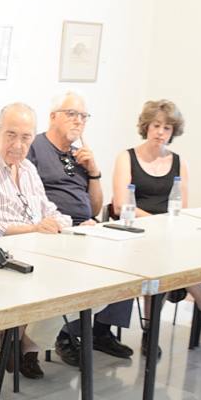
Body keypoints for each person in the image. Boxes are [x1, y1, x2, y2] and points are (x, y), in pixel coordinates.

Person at [28, 91, 134, 366]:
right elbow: (28, 196)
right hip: (52, 228)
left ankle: (100, 330)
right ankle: (62, 334)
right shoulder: (35, 147)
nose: (79, 122)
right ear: (53, 117)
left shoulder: (79, 155)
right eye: (72, 114)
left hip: (85, 225)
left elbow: (95, 206)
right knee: (80, 263)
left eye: (84, 117)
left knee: (125, 260)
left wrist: (95, 172)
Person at [0, 103, 72, 380]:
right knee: (58, 283)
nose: (18, 144)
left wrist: (60, 223)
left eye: (26, 137)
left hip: (40, 248)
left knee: (83, 289)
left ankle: (26, 342)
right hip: (2, 256)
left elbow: (49, 209)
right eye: (11, 135)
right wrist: (33, 229)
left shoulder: (27, 169)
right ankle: (24, 344)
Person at [111, 99, 201, 323]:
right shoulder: (126, 157)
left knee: (176, 250)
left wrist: (167, 226)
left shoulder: (179, 162)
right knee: (165, 253)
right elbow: (121, 205)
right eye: (156, 125)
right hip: (133, 230)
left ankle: (152, 324)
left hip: (168, 233)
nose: (160, 132)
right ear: (146, 126)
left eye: (167, 128)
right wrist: (158, 223)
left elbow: (182, 208)